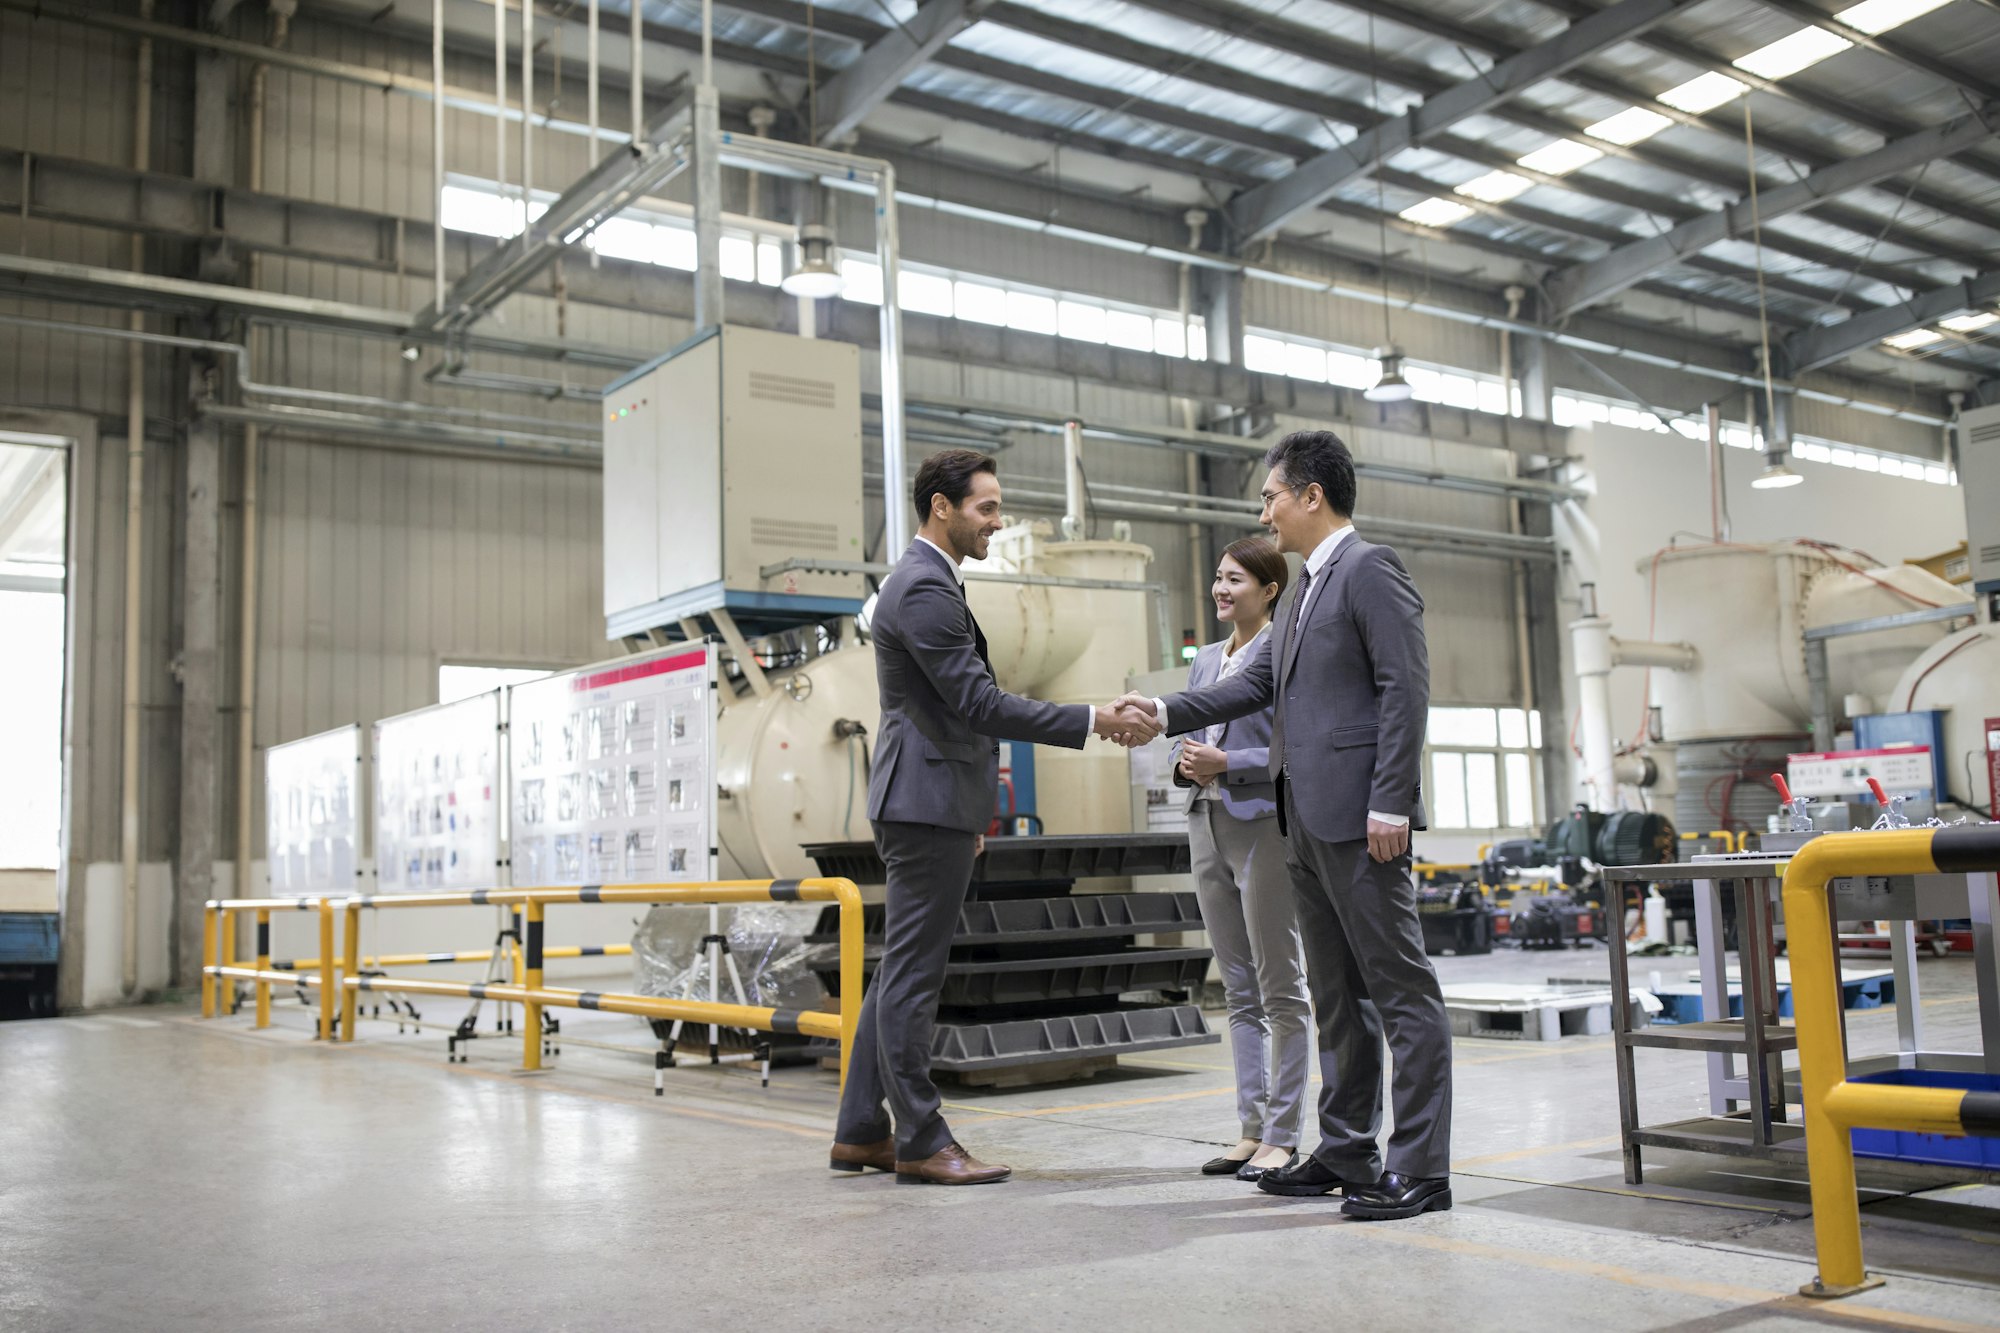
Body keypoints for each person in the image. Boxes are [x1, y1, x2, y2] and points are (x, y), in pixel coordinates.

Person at [1115, 429, 1449, 1221]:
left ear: (1311, 495)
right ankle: (1343, 1146)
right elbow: (1247, 683)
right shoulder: (1300, 589)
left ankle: (1423, 1168)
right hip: (1301, 819)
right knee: (1337, 995)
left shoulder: (1371, 569)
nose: (1263, 510)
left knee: (1401, 992)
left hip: (1364, 820)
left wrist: (1391, 800)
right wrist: (1161, 710)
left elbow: (1406, 687)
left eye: (1271, 495)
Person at [831, 449, 1157, 1186]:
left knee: (897, 974)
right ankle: (920, 1136)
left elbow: (957, 709)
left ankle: (860, 1128)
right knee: (914, 975)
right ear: (941, 507)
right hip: (924, 800)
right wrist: (1089, 717)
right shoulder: (922, 587)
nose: (998, 520)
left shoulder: (928, 583)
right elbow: (977, 702)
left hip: (932, 798)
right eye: (986, 506)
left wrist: (973, 806)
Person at [1175, 537, 1312, 1184]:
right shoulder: (1205, 660)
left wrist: (1230, 762)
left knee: (1280, 983)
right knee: (1236, 987)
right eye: (1219, 579)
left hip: (1259, 826)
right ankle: (1250, 1127)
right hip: (1204, 821)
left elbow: (1297, 746)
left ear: (1270, 589)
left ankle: (1283, 1134)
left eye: (1236, 580)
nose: (1222, 589)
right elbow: (1193, 731)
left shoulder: (1282, 655)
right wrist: (1188, 758)